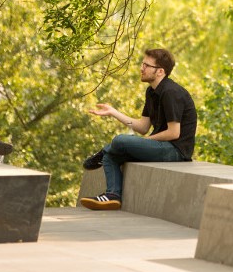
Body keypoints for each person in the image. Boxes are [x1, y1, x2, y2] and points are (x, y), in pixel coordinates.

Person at [80, 47, 197, 211]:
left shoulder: (171, 92)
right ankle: (112, 195)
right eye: (143, 64)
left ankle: (103, 150)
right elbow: (143, 127)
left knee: (120, 140)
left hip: (176, 151)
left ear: (160, 71)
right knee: (110, 156)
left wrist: (144, 141)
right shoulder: (151, 92)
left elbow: (174, 132)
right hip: (160, 146)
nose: (142, 68)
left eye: (147, 65)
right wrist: (113, 112)